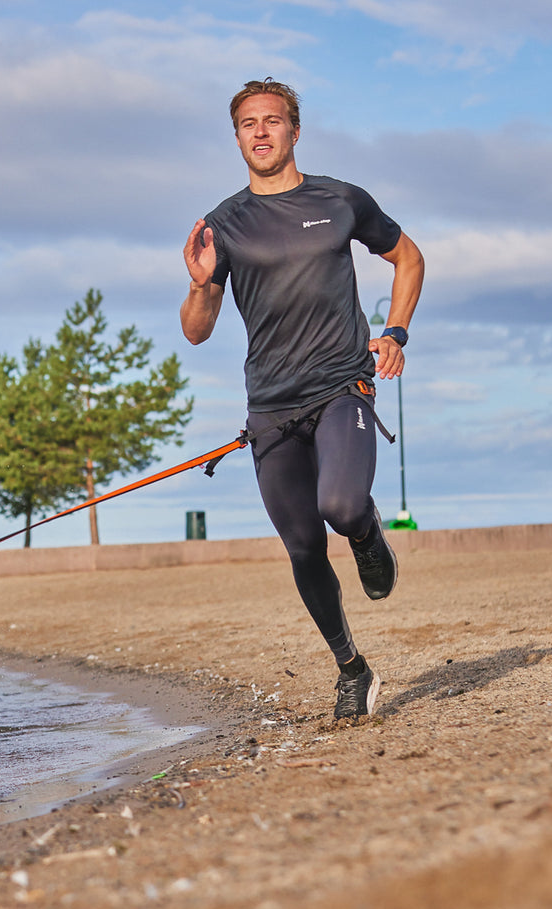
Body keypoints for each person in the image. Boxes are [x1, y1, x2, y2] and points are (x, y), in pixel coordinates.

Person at [180, 78, 424, 720]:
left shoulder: (341, 200)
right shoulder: (223, 224)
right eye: (247, 124)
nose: (260, 132)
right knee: (303, 548)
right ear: (236, 137)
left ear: (294, 130)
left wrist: (394, 332)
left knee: (341, 506)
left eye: (273, 120)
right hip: (271, 409)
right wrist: (203, 285)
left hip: (342, 385)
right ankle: (353, 669)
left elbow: (409, 259)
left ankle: (369, 533)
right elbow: (196, 331)